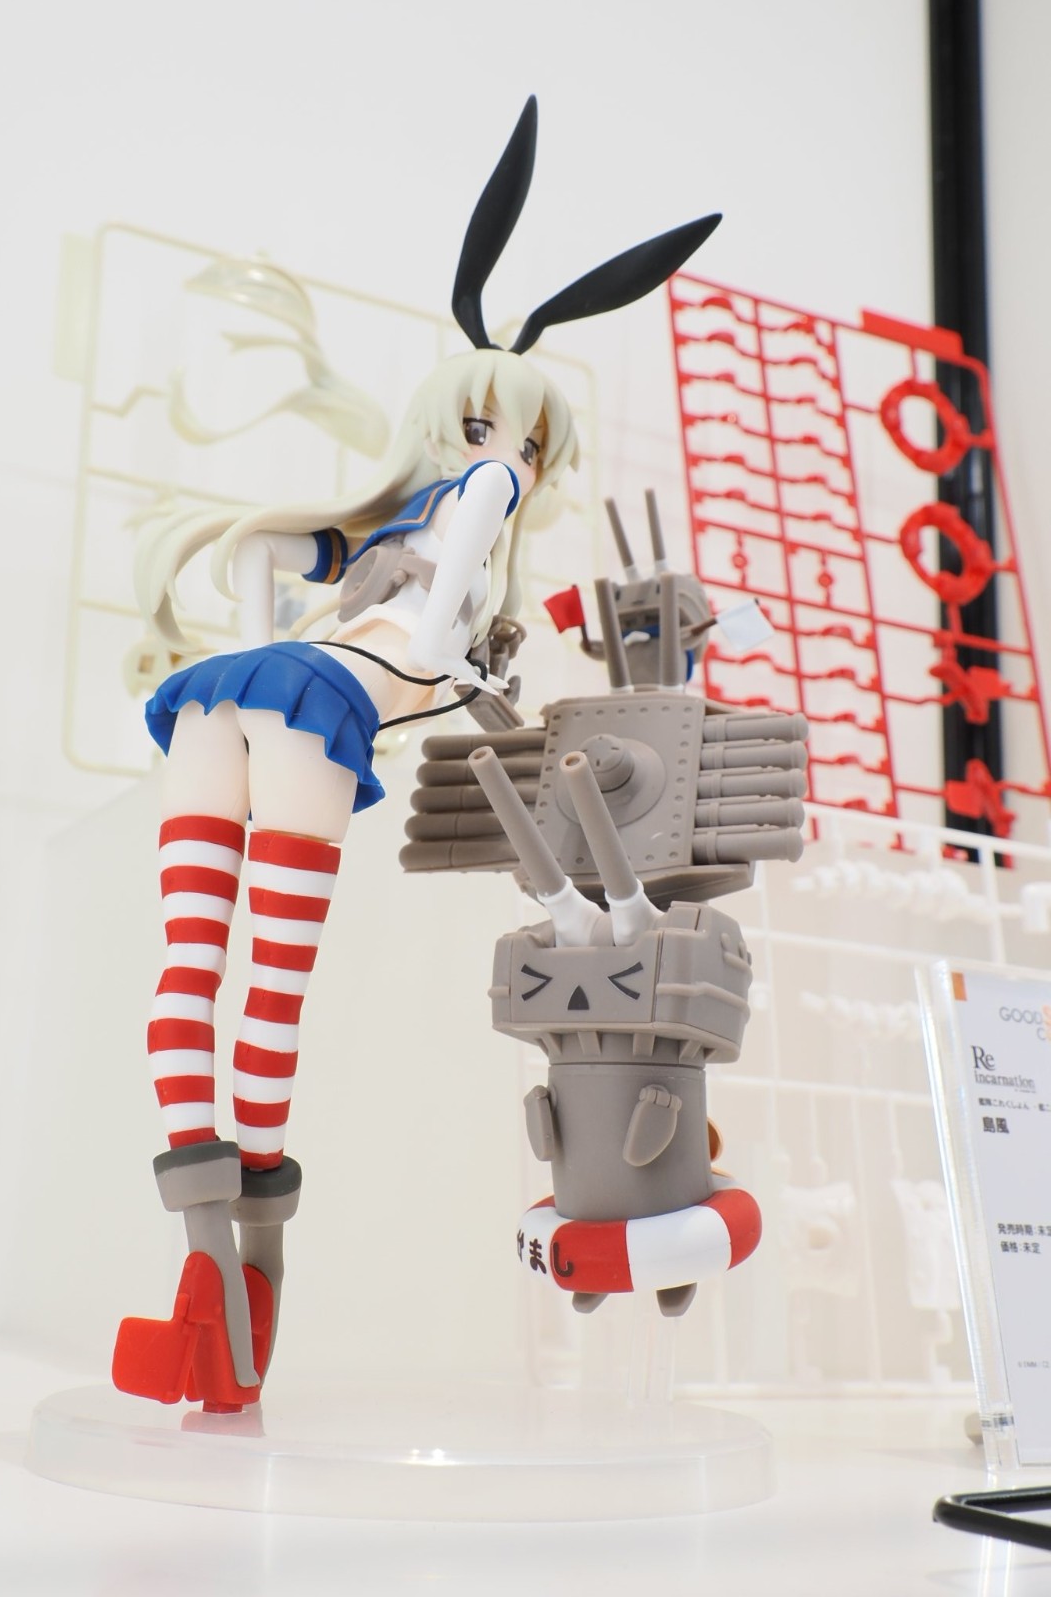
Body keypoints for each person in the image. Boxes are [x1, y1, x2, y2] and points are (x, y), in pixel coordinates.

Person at [113, 95, 719, 1409]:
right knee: (272, 984)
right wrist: (440, 646)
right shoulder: (472, 505)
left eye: (525, 442)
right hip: (321, 697)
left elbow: (285, 549)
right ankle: (247, 1264)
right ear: (476, 432)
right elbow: (435, 606)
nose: (510, 460)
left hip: (226, 688)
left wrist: (285, 623)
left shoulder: (393, 530)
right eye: (501, 433)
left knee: (189, 962)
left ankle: (203, 1261)